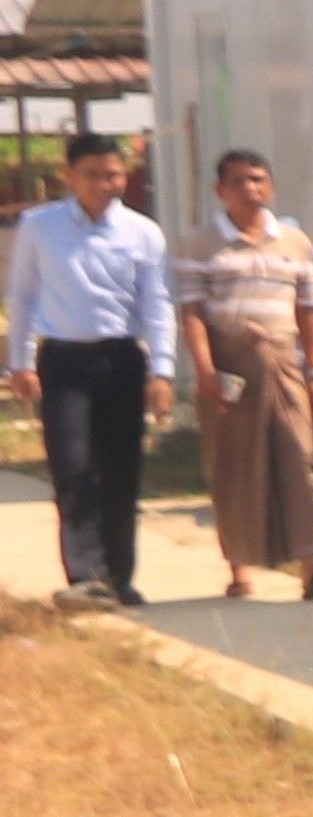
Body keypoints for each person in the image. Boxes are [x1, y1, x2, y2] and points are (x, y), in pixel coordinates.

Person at [7, 141, 172, 606]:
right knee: (72, 466)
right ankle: (85, 575)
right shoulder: (40, 226)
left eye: (113, 174)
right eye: (94, 174)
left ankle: (119, 577)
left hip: (121, 360)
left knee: (121, 469)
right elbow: (22, 295)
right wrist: (20, 362)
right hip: (64, 362)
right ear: (70, 176)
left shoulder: (142, 232)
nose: (105, 184)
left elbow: (156, 302)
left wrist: (162, 370)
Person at [178, 150, 313, 603]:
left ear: (271, 187)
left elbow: (308, 312)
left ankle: (311, 566)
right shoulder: (201, 243)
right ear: (220, 190)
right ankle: (239, 569)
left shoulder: (295, 243)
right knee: (233, 465)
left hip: (283, 361)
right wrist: (206, 371)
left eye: (258, 179)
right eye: (239, 182)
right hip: (230, 365)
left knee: (296, 459)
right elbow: (192, 313)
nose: (251, 189)